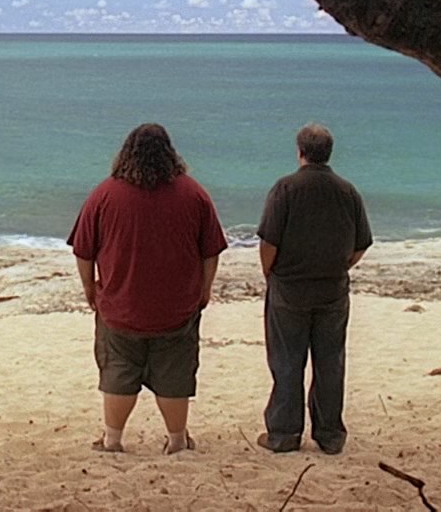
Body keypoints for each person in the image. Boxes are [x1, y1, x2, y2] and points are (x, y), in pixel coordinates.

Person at [68, 122, 229, 455]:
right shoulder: (194, 194)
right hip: (176, 308)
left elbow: (83, 250)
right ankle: (177, 440)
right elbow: (210, 250)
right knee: (174, 376)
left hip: (120, 306)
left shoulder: (105, 194)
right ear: (170, 153)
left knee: (118, 372)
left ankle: (112, 440)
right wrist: (205, 289)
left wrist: (89, 289)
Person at [256, 123, 372, 455]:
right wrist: (340, 266)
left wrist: (269, 272)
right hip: (332, 288)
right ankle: (330, 433)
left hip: (290, 287)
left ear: (300, 152)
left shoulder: (285, 188)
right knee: (330, 361)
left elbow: (269, 242)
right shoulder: (347, 191)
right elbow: (361, 243)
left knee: (287, 360)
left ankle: (284, 433)